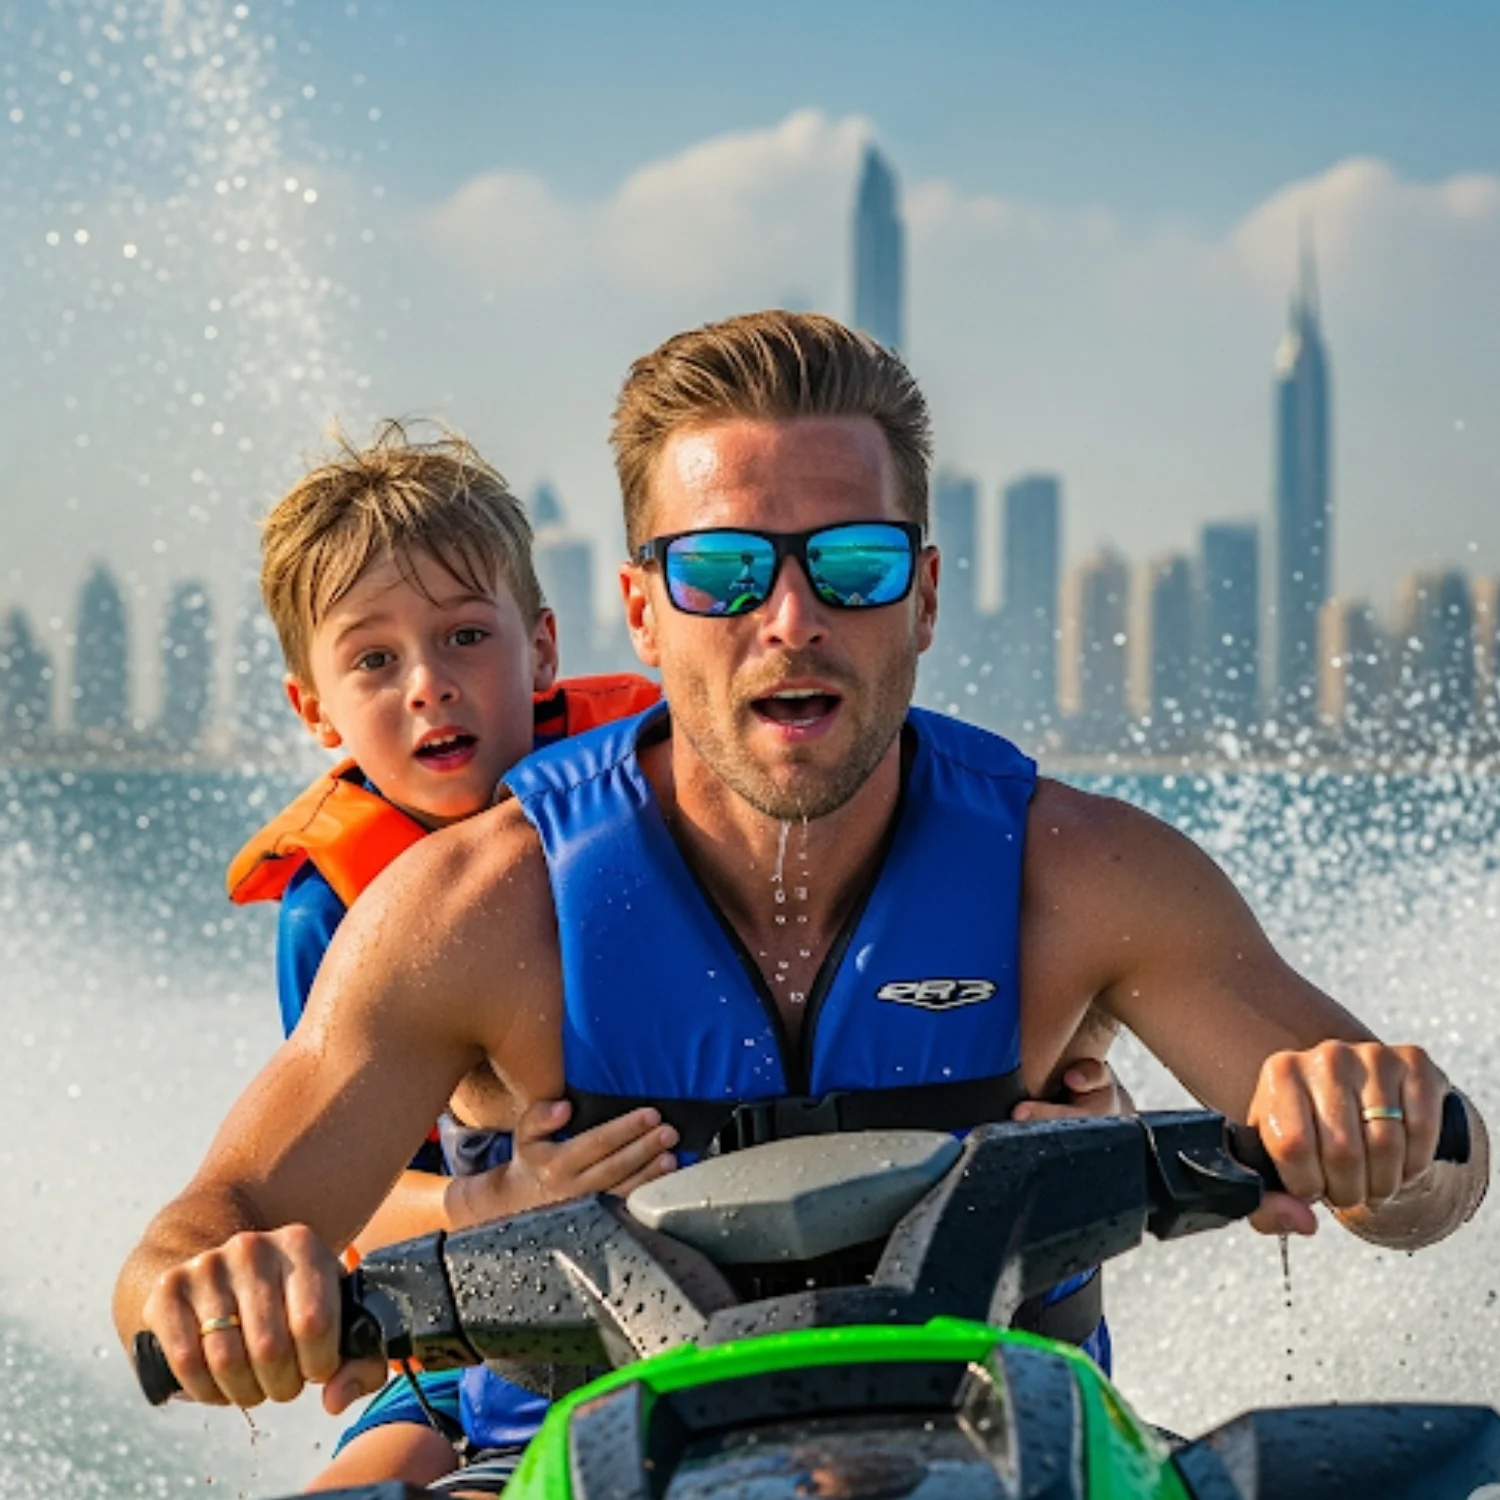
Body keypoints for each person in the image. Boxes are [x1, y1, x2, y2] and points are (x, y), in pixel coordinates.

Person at [115, 313, 1488, 1485]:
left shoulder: (1084, 880)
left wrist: (1382, 1137)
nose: (790, 618)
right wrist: (219, 1290)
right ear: (644, 612)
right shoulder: (478, 913)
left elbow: (1440, 1183)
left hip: (1016, 1469)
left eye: (853, 565)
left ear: (926, 599)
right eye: (724, 569)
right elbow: (192, 1238)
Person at [222, 422, 670, 1490]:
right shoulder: (334, 911)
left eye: (467, 637)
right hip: (444, 1331)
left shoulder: (658, 798)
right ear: (313, 708)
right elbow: (343, 1192)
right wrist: (497, 1198)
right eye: (374, 660)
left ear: (543, 648)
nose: (428, 684)